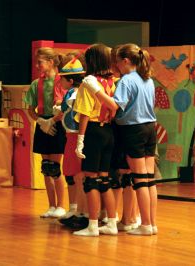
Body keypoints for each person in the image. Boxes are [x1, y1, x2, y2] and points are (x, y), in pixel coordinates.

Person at [86, 43, 158, 235]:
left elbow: (114, 106)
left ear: (125, 61)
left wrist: (95, 90)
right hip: (151, 128)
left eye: (117, 62)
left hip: (134, 130)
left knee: (140, 180)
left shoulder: (127, 81)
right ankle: (151, 224)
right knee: (149, 180)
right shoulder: (147, 79)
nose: (116, 66)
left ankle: (145, 226)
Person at [72, 44, 118, 236]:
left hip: (92, 132)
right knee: (105, 179)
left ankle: (92, 225)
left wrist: (80, 140)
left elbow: (84, 114)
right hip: (108, 131)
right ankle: (112, 223)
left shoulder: (88, 84)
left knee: (90, 180)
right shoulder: (111, 82)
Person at [24, 47, 67, 218]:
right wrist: (41, 121)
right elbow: (30, 108)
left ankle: (61, 206)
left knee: (56, 168)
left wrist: (52, 121)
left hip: (58, 125)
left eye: (40, 62)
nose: (37, 65)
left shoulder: (62, 82)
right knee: (46, 167)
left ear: (50, 62)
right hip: (43, 125)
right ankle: (51, 206)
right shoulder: (36, 84)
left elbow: (66, 108)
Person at [55, 53, 88, 229]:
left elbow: (63, 107)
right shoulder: (78, 91)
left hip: (74, 136)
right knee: (72, 174)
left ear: (69, 80)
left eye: (62, 79)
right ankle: (75, 209)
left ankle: (79, 211)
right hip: (72, 135)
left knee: (75, 174)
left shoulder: (72, 94)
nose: (60, 82)